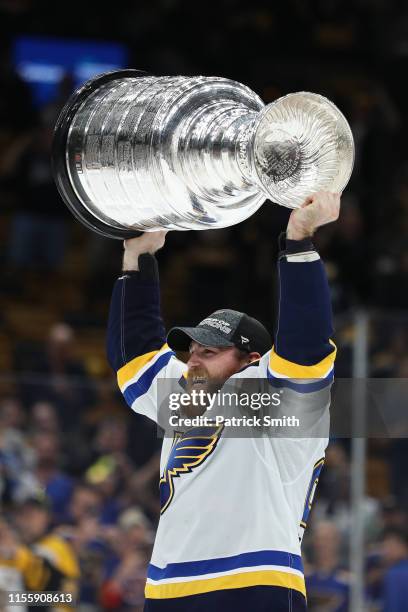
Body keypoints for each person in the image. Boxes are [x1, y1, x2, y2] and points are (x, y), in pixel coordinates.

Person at [107, 191, 340, 611]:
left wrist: (300, 241)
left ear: (253, 360)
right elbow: (135, 356)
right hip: (167, 587)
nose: (193, 358)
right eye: (191, 349)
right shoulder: (184, 396)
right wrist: (138, 256)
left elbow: (305, 343)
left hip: (254, 580)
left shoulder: (279, 399)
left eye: (210, 351)